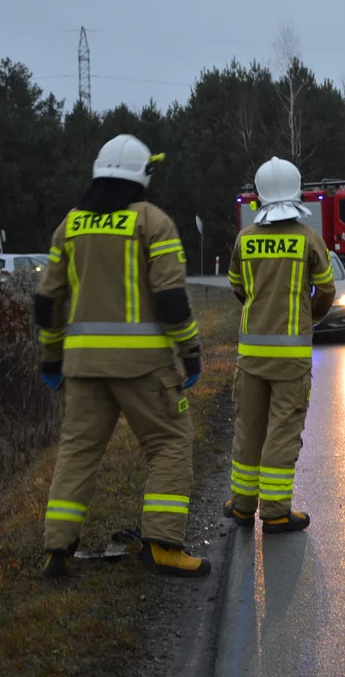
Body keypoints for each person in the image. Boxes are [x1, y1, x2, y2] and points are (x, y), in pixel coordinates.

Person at [34, 134, 209, 579]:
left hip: (82, 368)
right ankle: (164, 546)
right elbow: (171, 300)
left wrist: (52, 358)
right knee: (170, 445)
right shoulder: (152, 222)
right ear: (142, 176)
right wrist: (190, 353)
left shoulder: (69, 226)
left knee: (77, 451)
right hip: (143, 367)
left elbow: (47, 301)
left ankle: (57, 549)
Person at [223, 157, 335, 534]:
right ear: (296, 191)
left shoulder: (245, 239)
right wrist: (310, 318)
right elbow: (327, 290)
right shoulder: (308, 239)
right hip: (290, 360)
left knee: (249, 428)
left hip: (250, 355)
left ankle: (241, 506)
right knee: (282, 431)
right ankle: (274, 511)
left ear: (260, 196)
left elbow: (238, 287)